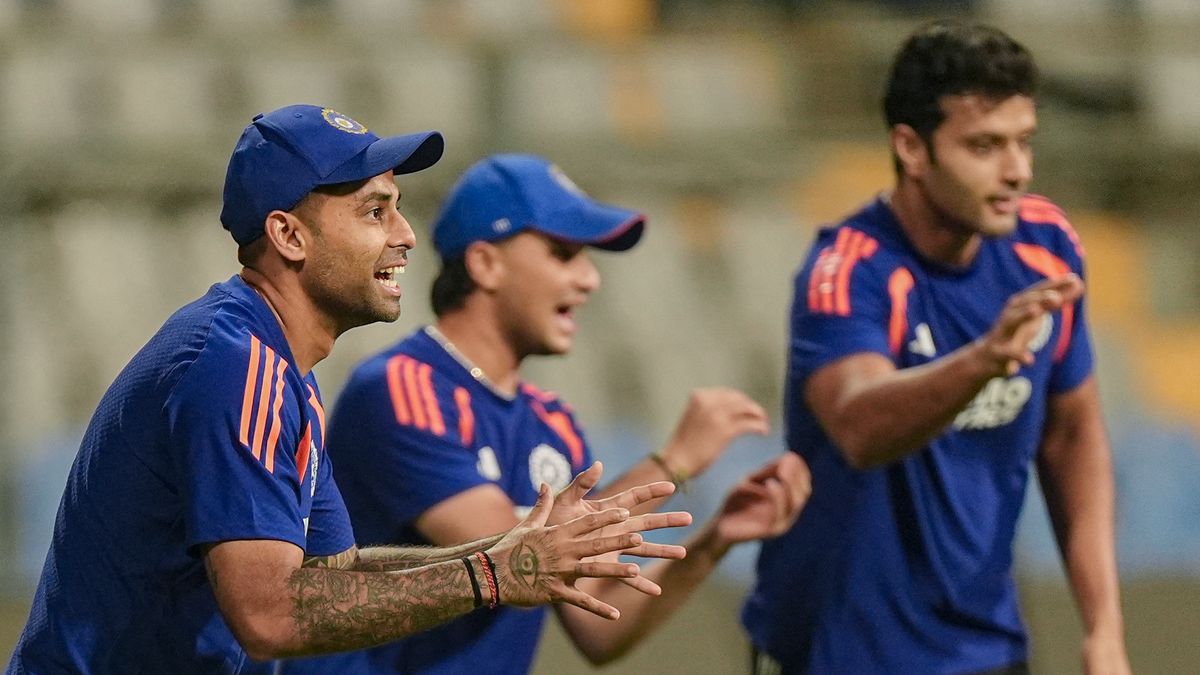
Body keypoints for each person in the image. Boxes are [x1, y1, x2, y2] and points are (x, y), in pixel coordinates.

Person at [6, 106, 693, 674]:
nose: (406, 235)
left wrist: (502, 552)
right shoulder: (234, 364)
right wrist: (492, 574)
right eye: (374, 211)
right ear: (289, 235)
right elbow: (269, 616)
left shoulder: (282, 373)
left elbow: (336, 568)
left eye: (398, 209)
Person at [281, 154, 812, 674]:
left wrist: (717, 540)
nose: (590, 279)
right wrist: (674, 461)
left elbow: (599, 629)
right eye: (563, 254)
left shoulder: (552, 421)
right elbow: (518, 557)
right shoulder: (403, 386)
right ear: (486, 264)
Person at [741, 21, 1131, 675]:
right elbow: (860, 427)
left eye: (1024, 142)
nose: (1017, 171)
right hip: (839, 651)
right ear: (912, 149)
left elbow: (1072, 436)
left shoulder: (1046, 246)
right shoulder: (849, 269)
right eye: (985, 146)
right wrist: (982, 362)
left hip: (983, 645)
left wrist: (1104, 629)